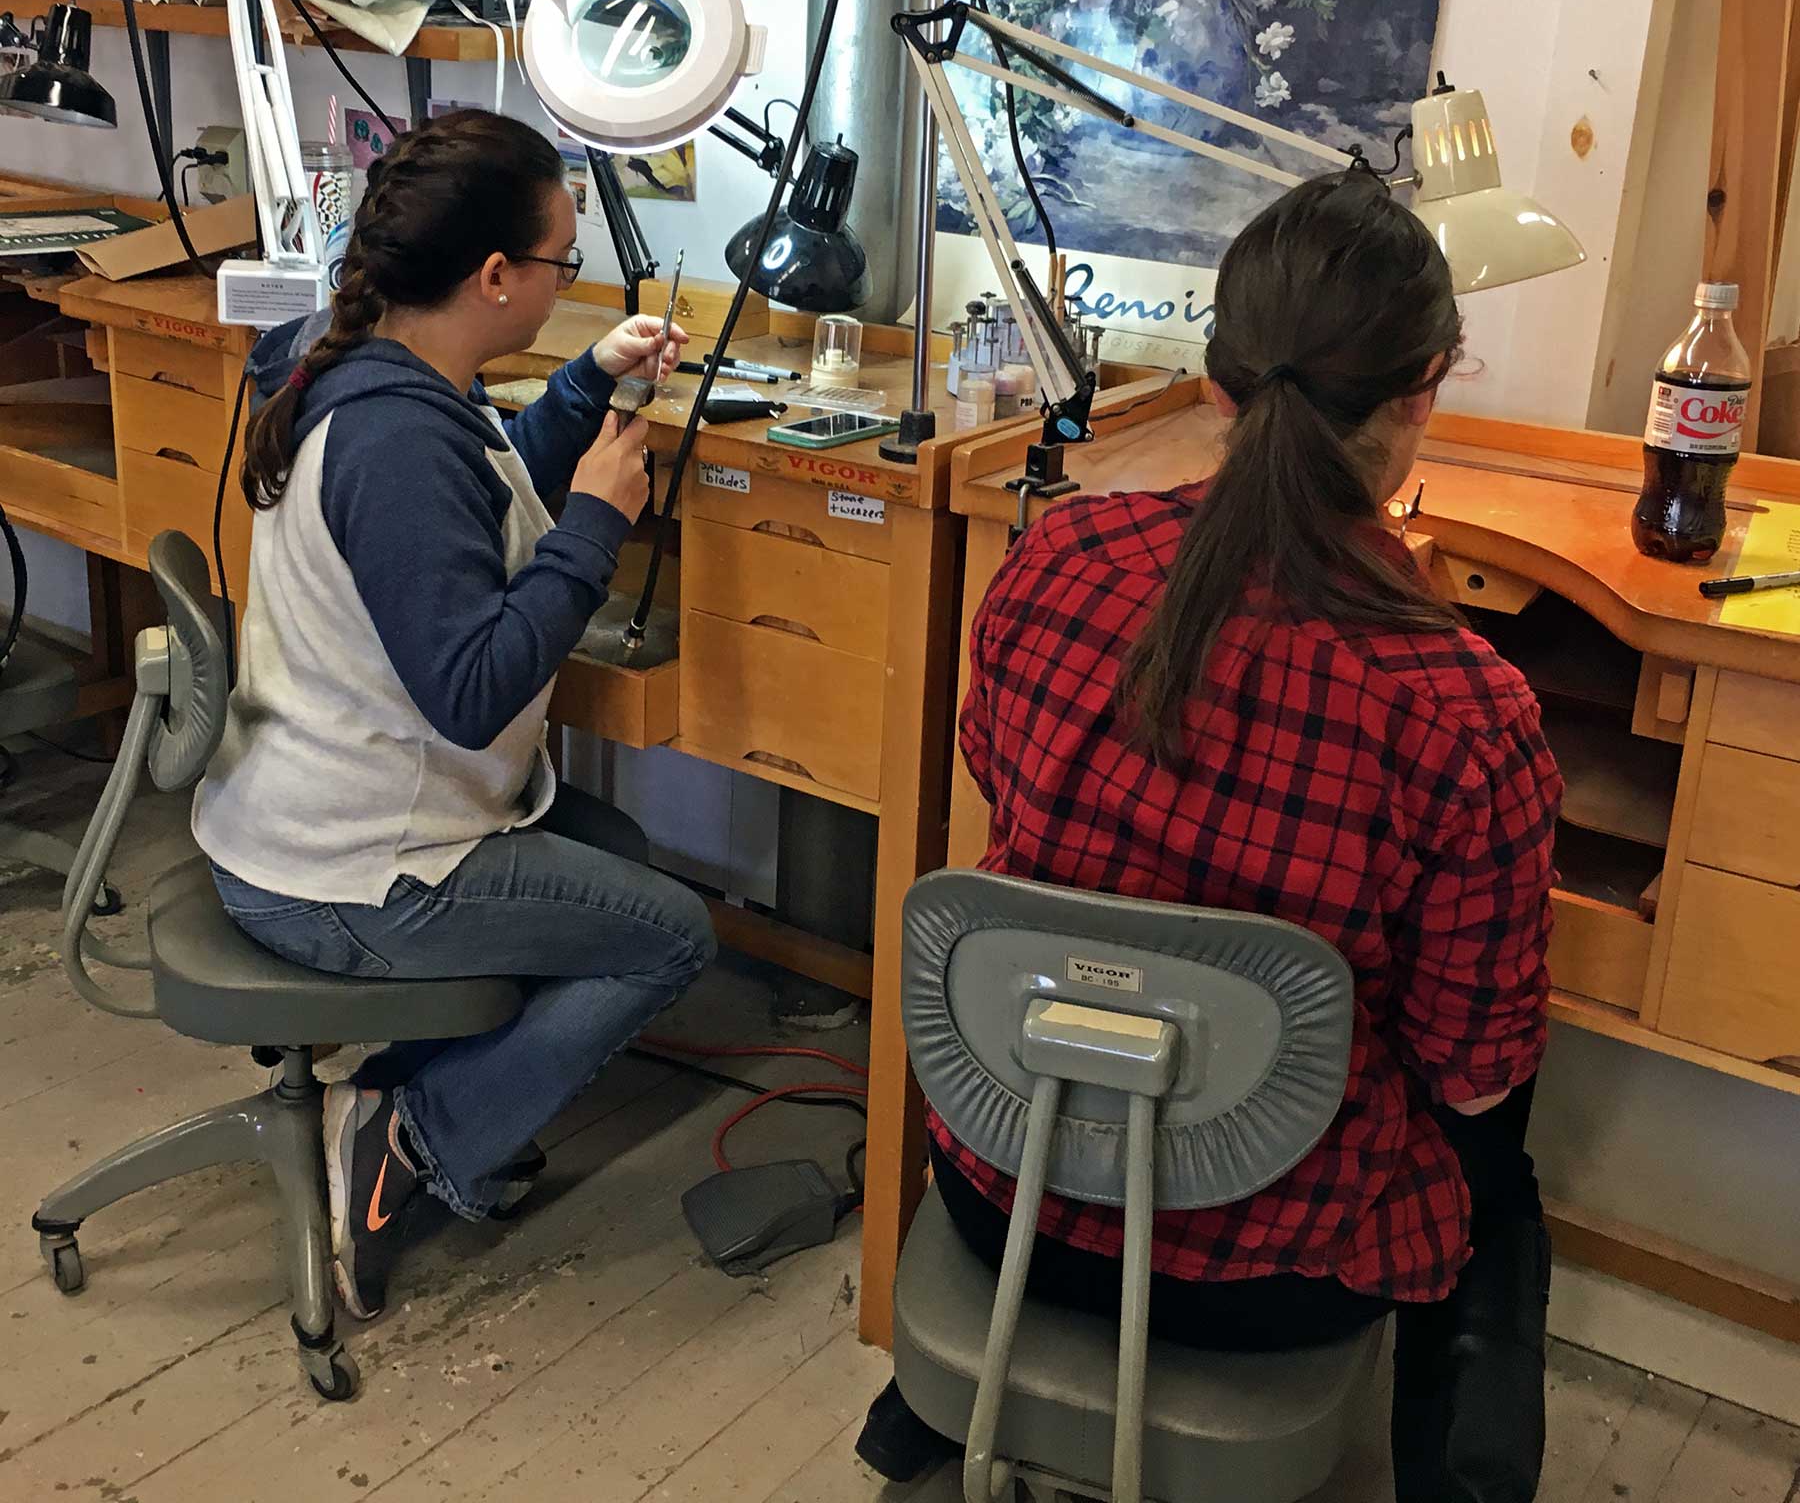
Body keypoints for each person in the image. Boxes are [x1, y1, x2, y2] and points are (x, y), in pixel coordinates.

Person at [859, 172, 1560, 1502]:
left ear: (1217, 381)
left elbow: (1001, 782)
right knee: (1504, 1163)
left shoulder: (1058, 559)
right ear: (1425, 389)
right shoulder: (1467, 713)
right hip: (1264, 1278)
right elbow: (1472, 1072)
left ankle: (929, 1431)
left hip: (1012, 1191)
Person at [193, 109, 717, 1321]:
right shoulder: (393, 434)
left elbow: (484, 490)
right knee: (671, 935)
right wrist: (596, 526)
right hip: (344, 871)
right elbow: (474, 690)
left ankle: (390, 1093)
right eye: (561, 267)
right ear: (494, 277)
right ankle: (411, 1136)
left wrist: (589, 382)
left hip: (307, 818)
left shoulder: (394, 374)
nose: (562, 283)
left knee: (619, 859)